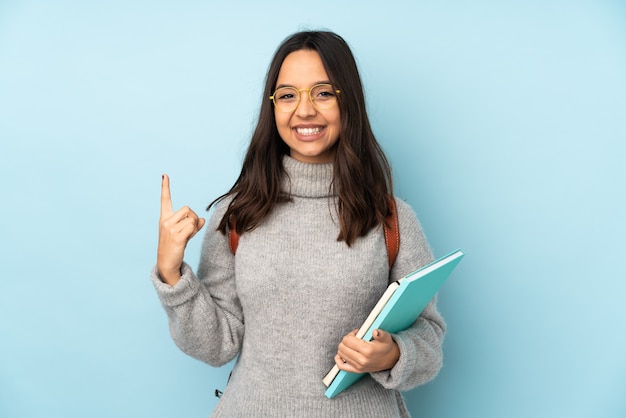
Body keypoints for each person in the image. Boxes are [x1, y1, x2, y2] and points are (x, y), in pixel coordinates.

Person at [152, 30, 445, 417]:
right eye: (288, 95)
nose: (304, 111)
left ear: (348, 103)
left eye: (323, 93)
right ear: (272, 107)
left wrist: (393, 353)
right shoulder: (236, 214)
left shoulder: (392, 219)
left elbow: (428, 338)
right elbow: (216, 345)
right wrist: (172, 274)